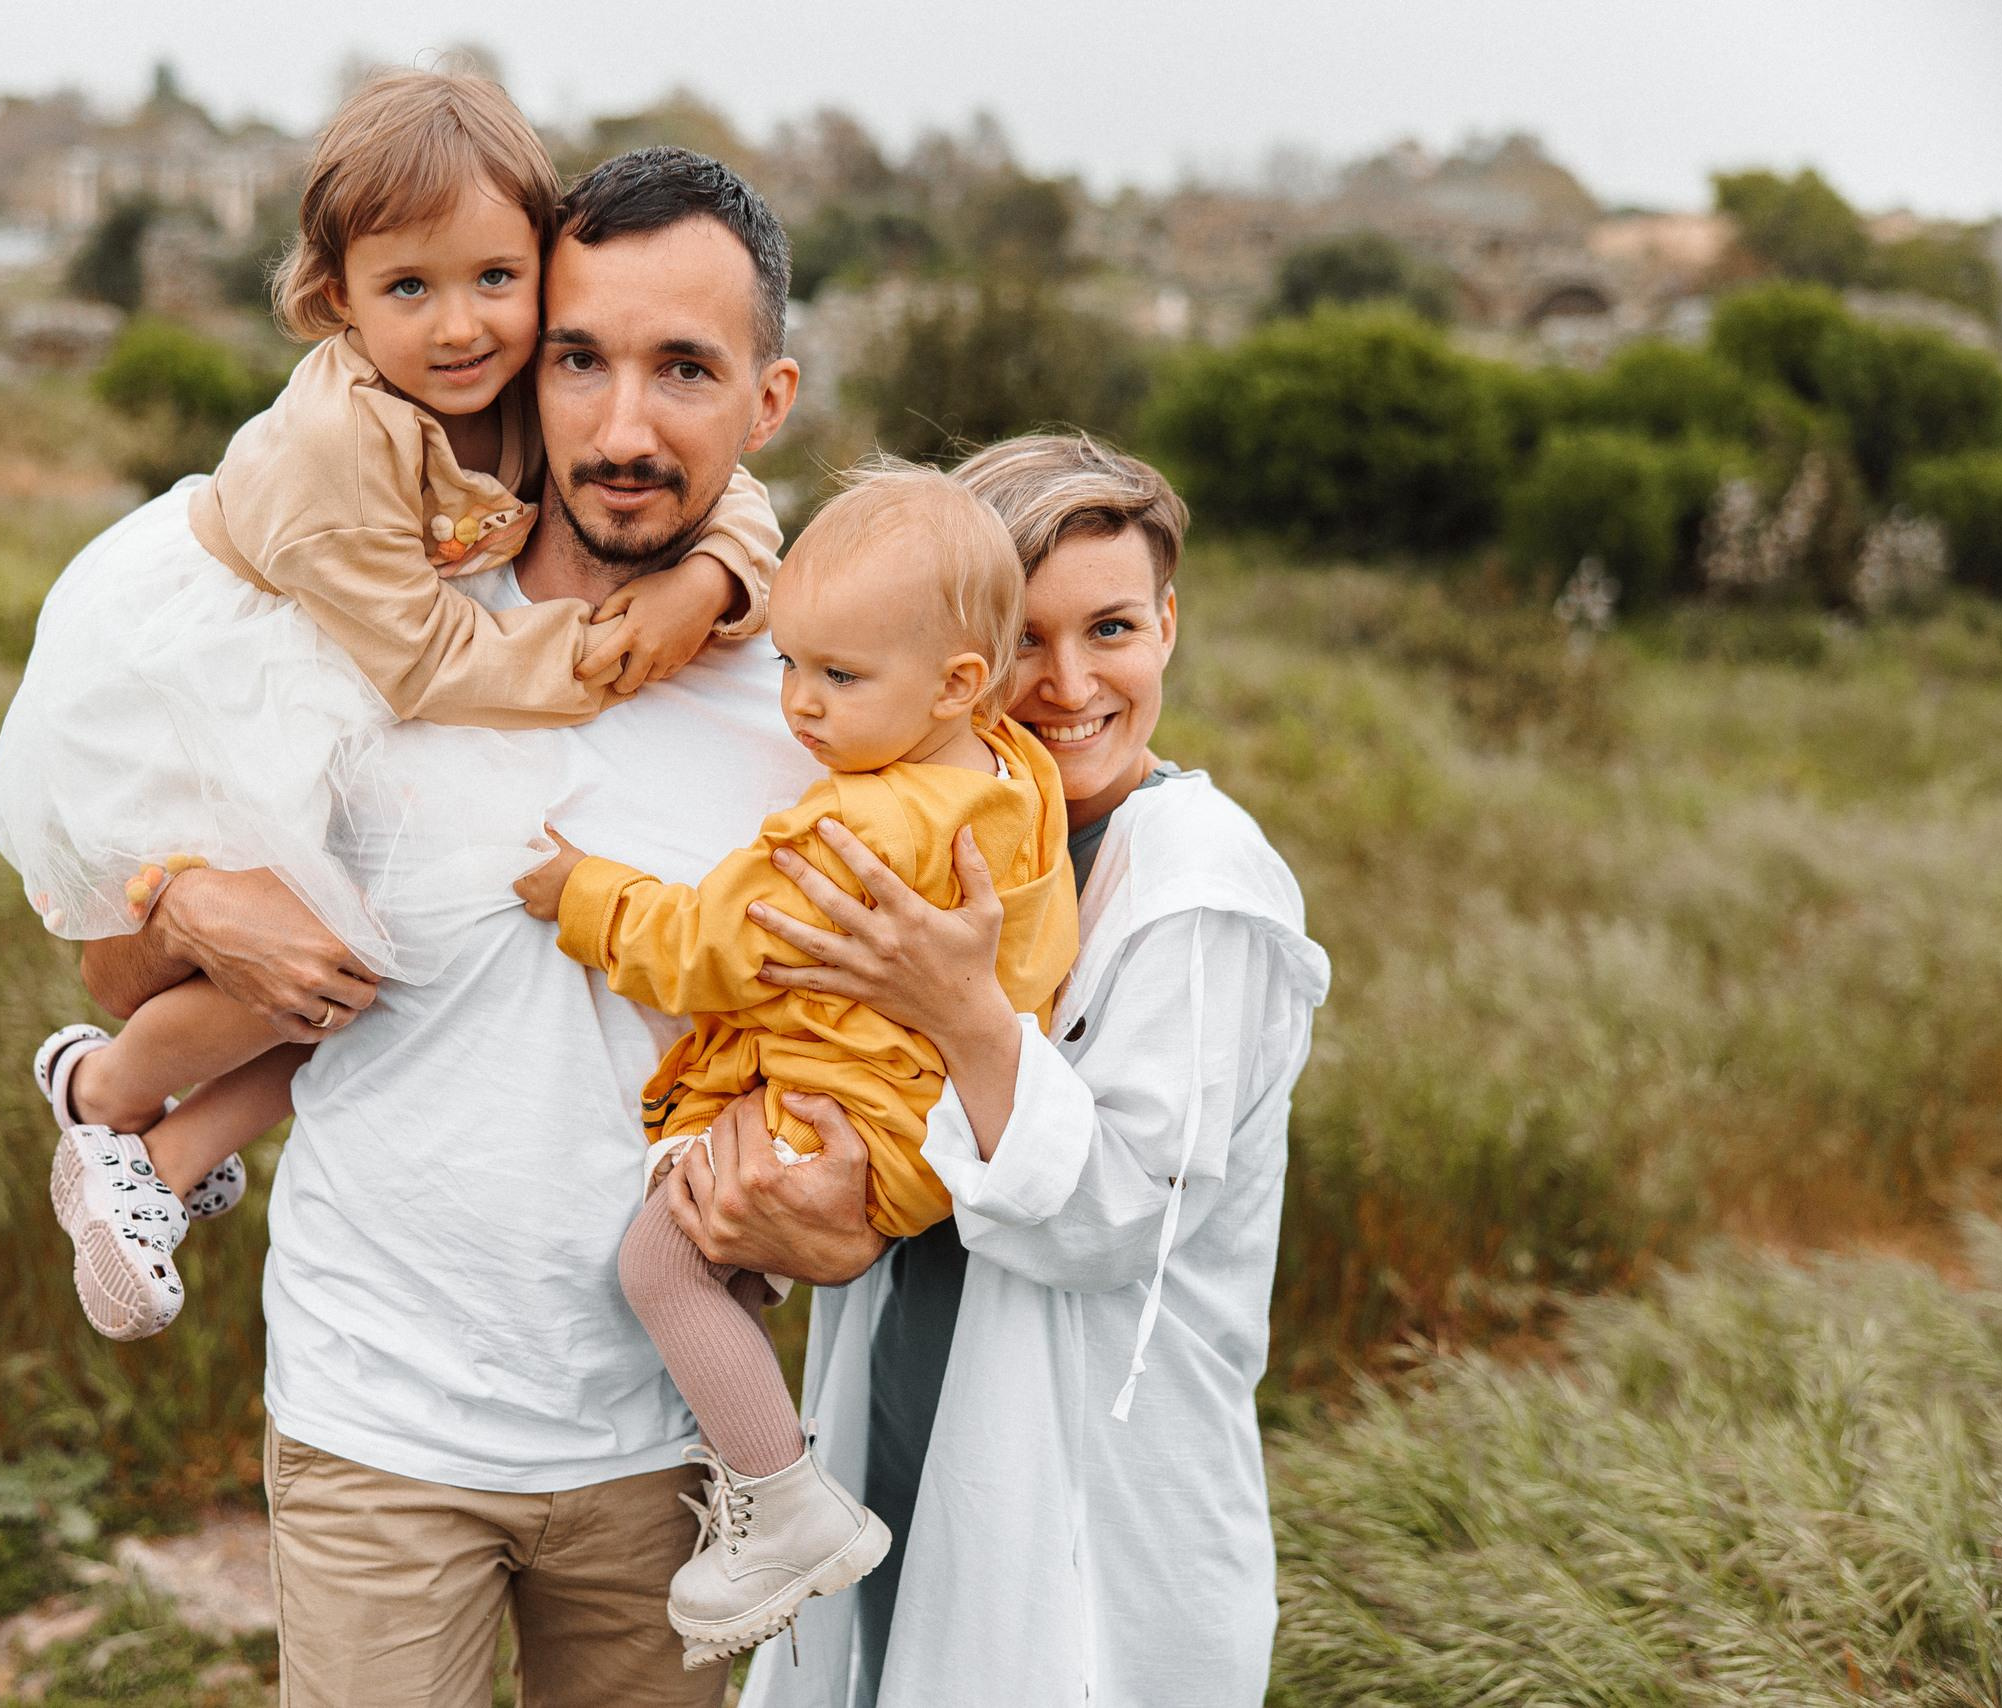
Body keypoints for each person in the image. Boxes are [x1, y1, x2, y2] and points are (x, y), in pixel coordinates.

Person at [81, 147, 837, 1708]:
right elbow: (109, 971)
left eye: (686, 369)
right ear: (524, 369)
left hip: (668, 1438)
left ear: (769, 402)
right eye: (581, 360)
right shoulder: (362, 630)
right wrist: (189, 899)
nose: (622, 430)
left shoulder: (813, 711)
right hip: (376, 1427)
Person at [0, 70, 782, 1340]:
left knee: (367, 959)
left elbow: (708, 475)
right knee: (327, 945)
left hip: (627, 1395)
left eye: (495, 281)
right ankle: (106, 1098)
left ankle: (174, 1150)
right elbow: (419, 663)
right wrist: (591, 656)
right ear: (336, 296)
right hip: (227, 670)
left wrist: (710, 578)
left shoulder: (800, 690)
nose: (462, 326)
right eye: (410, 289)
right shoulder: (341, 461)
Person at [681, 435, 1333, 1708]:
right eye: (1027, 639)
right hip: (904, 1418)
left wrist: (963, 1010)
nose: (1069, 683)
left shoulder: (1196, 885)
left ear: (1168, 626)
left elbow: (1115, 1221)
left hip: (1085, 1507)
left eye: (1112, 629)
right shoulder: (928, 829)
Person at [511, 463, 1080, 1668]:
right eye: (789, 664)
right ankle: (756, 1459)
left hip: (846, 1116)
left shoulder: (852, 827)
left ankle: (783, 1505)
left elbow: (705, 945)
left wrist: (582, 892)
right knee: (712, 1250)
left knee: (657, 1262)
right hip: (923, 1117)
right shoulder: (1012, 774)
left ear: (957, 683)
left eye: (840, 677)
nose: (800, 706)